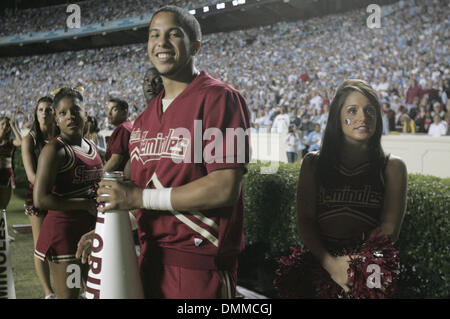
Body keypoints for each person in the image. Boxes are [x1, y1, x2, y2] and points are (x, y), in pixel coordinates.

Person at [95, 5, 251, 299]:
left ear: (195, 46)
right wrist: (111, 230)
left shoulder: (221, 99)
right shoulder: (143, 120)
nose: (161, 43)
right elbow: (145, 195)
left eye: (173, 34)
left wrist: (138, 197)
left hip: (199, 269)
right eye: (154, 35)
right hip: (148, 260)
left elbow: (224, 187)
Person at [297, 79, 407, 296]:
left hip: (371, 269)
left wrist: (356, 265)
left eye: (370, 111)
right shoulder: (313, 164)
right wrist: (332, 264)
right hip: (320, 265)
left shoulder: (393, 167)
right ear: (337, 116)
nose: (363, 117)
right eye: (352, 110)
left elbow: (389, 228)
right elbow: (306, 220)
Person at [33, 88, 103, 299]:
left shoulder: (92, 146)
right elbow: (40, 199)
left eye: (75, 110)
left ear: (85, 112)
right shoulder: (54, 150)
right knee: (70, 296)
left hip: (91, 231)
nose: (70, 116)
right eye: (62, 113)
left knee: (96, 293)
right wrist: (84, 204)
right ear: (56, 118)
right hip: (65, 234)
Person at [21, 96, 59, 299]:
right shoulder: (30, 140)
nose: (44, 113)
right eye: (41, 109)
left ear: (55, 114)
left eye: (49, 109)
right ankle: (48, 292)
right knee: (42, 245)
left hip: (60, 195)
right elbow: (31, 176)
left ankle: (67, 287)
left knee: (61, 243)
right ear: (36, 114)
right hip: (38, 196)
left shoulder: (61, 137)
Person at [103, 98, 132, 172]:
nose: (109, 113)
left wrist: (99, 176)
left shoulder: (123, 129)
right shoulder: (128, 126)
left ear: (124, 112)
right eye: (107, 109)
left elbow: (115, 160)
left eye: (114, 109)